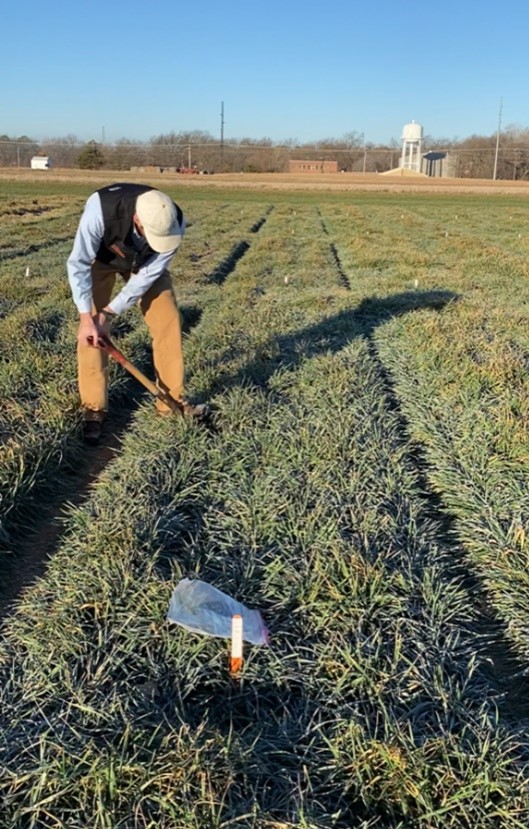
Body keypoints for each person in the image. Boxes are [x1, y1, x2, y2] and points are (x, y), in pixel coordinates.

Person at [67, 182, 206, 445]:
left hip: (142, 265)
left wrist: (109, 313)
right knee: (90, 334)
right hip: (101, 260)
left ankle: (171, 402)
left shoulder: (172, 221)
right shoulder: (100, 209)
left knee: (168, 320)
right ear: (136, 219)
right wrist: (90, 317)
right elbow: (78, 262)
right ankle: (93, 409)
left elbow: (145, 277)